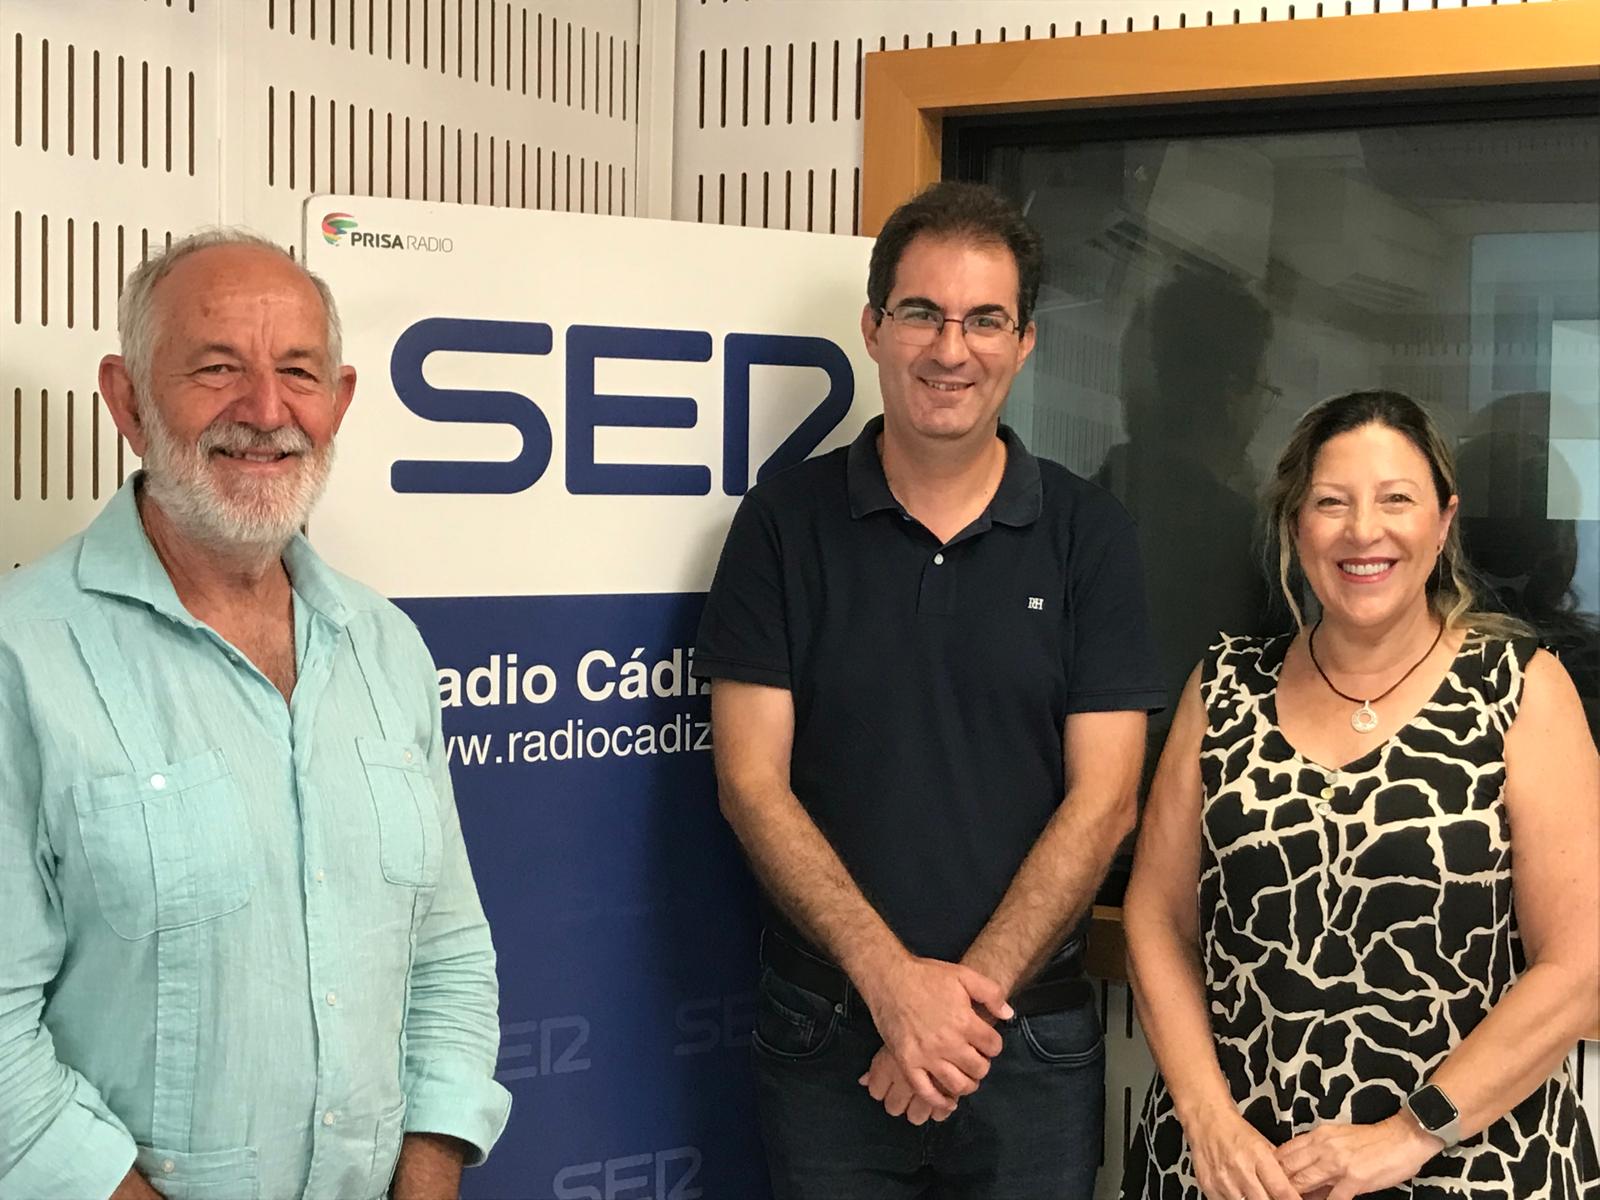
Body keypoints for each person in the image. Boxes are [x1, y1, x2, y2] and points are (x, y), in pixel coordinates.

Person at [0, 230, 510, 1199]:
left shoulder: (386, 648)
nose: (265, 411)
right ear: (126, 401)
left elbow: (447, 953)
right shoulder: (22, 658)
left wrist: (431, 1173)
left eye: (298, 372)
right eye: (217, 367)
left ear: (341, 402)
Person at [694, 180, 1165, 1198]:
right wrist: (890, 984)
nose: (951, 350)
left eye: (984, 320)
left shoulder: (1092, 537)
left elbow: (1107, 798)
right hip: (826, 1033)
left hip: (1025, 1041)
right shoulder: (782, 523)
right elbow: (750, 782)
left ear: (1024, 341)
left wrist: (957, 1007)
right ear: (873, 327)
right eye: (922, 313)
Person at [1121, 389, 1600, 1200]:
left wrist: (1409, 1134)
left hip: (1471, 1167)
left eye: (1396, 500)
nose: (1362, 531)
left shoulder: (1521, 688)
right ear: (1295, 525)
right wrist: (1206, 1119)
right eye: (1331, 503)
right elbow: (1156, 918)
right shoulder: (1226, 685)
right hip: (1237, 1172)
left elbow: (1580, 964)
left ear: (1443, 522)